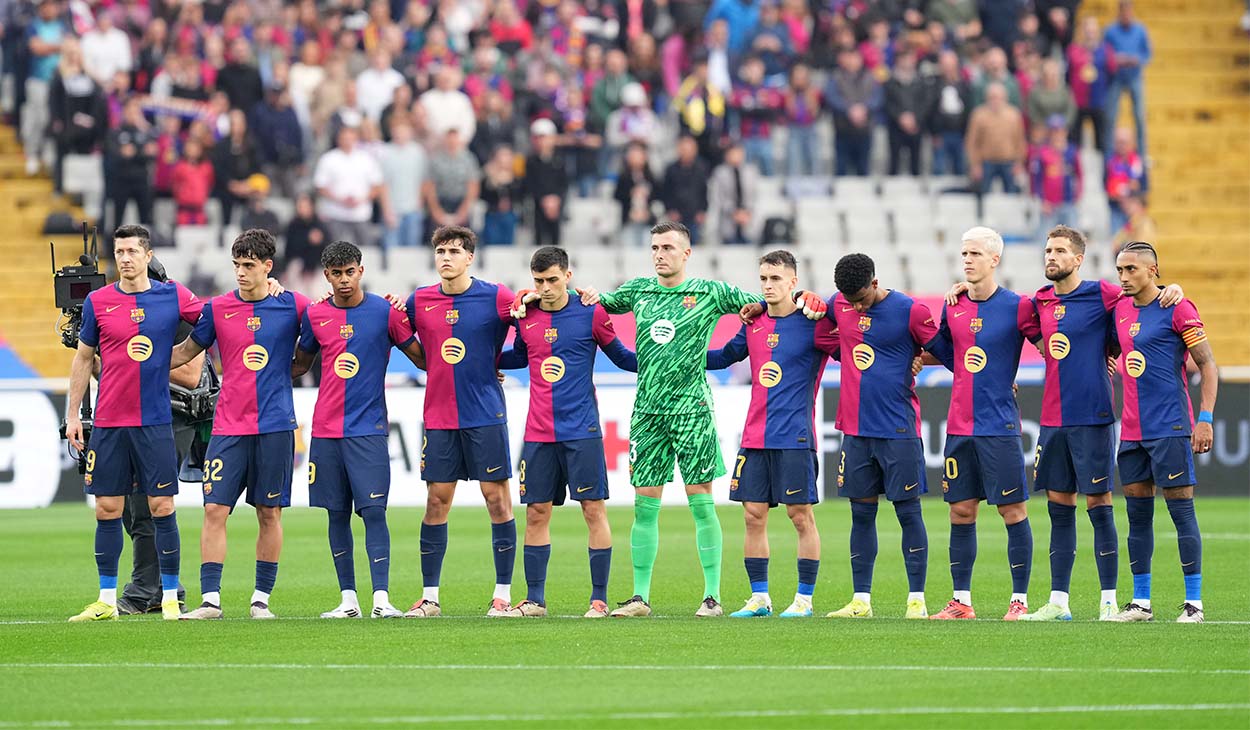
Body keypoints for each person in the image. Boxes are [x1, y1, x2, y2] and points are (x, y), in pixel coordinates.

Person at [548, 221, 825, 617]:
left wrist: (804, 297)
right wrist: (541, 294)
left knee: (700, 502)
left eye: (667, 248)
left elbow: (769, 300)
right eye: (655, 247)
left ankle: (711, 597)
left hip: (693, 410)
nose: (659, 254)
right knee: (645, 504)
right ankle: (640, 597)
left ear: (687, 253)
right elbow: (588, 303)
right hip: (647, 412)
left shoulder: (710, 292)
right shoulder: (637, 291)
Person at [66, 225, 204, 621]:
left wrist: (174, 356)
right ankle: (107, 600)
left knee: (162, 506)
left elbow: (212, 322)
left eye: (131, 251)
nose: (124, 258)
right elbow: (83, 359)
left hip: (155, 422)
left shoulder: (172, 296)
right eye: (119, 251)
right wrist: (72, 414)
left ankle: (172, 599)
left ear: (148, 255)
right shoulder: (98, 301)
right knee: (106, 508)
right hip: (109, 422)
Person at [171, 229, 310, 620]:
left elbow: (315, 347)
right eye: (236, 265)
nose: (241, 273)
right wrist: (137, 364)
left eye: (249, 265)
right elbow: (186, 352)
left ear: (268, 267)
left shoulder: (293, 306)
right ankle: (211, 601)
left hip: (276, 427)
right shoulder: (217, 309)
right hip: (228, 427)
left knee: (269, 512)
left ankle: (261, 599)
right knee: (214, 510)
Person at [496, 247, 637, 618]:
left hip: (583, 430)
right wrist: (482, 363)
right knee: (537, 512)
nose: (545, 288)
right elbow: (518, 358)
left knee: (593, 510)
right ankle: (535, 601)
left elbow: (622, 356)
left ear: (568, 276)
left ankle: (599, 599)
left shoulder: (592, 312)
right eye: (539, 281)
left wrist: (665, 362)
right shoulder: (525, 316)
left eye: (552, 280)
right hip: (538, 432)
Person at [292, 241, 426, 619]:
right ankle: (348, 601)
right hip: (326, 430)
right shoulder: (316, 315)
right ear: (326, 276)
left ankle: (381, 599)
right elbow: (299, 365)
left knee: (373, 512)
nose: (344, 280)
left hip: (367, 429)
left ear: (361, 271)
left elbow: (423, 358)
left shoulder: (385, 312)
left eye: (350, 272)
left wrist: (475, 363)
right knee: (336, 514)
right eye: (336, 274)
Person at [705, 250, 837, 619]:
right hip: (755, 436)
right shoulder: (754, 323)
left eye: (776, 279)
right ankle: (760, 598)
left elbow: (851, 345)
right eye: (763, 278)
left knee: (800, 515)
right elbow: (723, 357)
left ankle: (804, 600)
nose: (767, 285)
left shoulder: (815, 323)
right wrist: (676, 353)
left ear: (793, 282)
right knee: (752, 515)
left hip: (794, 436)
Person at [923, 227, 1040, 621]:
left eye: (975, 253)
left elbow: (1051, 343)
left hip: (1000, 427)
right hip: (959, 427)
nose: (967, 259)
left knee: (1013, 510)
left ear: (995, 260)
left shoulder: (1019, 306)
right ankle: (961, 601)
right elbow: (944, 351)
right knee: (961, 512)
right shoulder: (952, 306)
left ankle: (1019, 601)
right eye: (964, 253)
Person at [403, 226, 517, 618]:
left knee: (496, 498)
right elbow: (403, 340)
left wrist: (496, 363)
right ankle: (430, 597)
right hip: (439, 416)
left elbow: (536, 327)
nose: (446, 257)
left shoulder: (497, 296)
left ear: (470, 257)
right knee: (436, 501)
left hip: (485, 414)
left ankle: (502, 594)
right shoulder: (419, 301)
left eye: (454, 251)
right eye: (440, 251)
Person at [824, 253, 939, 620]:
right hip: (856, 431)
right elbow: (812, 317)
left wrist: (922, 359)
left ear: (875, 283)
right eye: (849, 300)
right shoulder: (839, 303)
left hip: (898, 430)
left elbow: (949, 351)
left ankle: (917, 600)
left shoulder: (911, 311)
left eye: (861, 298)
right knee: (861, 515)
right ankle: (861, 601)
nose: (855, 306)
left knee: (908, 513)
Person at [1107, 242, 1216, 624]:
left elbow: (1208, 365)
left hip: (1170, 426)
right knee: (1137, 517)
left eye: (1131, 269)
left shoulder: (1177, 308)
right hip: (1132, 431)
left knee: (1181, 512)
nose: (1123, 277)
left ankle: (1194, 604)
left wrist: (1204, 418)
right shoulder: (1118, 308)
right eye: (1119, 270)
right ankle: (1140, 603)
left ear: (1153, 271)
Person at [314, 124, 384, 249]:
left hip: (361, 214)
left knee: (366, 251)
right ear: (338, 139)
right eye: (344, 138)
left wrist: (361, 199)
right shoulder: (328, 159)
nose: (347, 141)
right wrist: (340, 200)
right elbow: (320, 187)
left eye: (350, 138)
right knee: (338, 252)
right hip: (336, 214)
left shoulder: (366, 159)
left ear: (356, 139)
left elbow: (377, 186)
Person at [1103, 0, 1151, 156]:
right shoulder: (1110, 31)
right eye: (1123, 12)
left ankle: (1142, 154)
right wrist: (1115, 59)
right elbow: (1104, 53)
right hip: (1116, 78)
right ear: (1119, 13)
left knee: (1139, 116)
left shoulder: (1140, 30)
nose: (1126, 15)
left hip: (1134, 76)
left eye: (1128, 12)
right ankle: (1110, 155)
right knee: (1111, 117)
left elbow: (1147, 54)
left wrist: (1136, 59)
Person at [823, 47, 880, 177]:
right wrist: (849, 109)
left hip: (864, 129)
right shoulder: (835, 77)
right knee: (841, 168)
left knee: (863, 168)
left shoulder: (870, 76)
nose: (852, 61)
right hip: (843, 128)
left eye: (855, 58)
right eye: (849, 58)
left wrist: (864, 109)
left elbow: (877, 97)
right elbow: (831, 97)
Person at [107, 96, 158, 229]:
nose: (133, 114)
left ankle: (146, 248)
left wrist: (135, 151)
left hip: (141, 181)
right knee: (118, 219)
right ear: (124, 111)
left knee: (146, 218)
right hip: (121, 181)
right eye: (130, 110)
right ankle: (114, 248)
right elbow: (118, 155)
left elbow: (152, 153)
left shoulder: (146, 132)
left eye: (136, 110)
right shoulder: (116, 132)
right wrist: (141, 152)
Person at [966, 83, 1026, 195]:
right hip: (986, 162)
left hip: (1009, 161)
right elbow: (972, 142)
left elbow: (1020, 140)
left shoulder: (1014, 115)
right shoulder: (978, 115)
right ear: (986, 98)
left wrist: (1019, 162)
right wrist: (975, 165)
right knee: (983, 194)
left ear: (1005, 98)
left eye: (998, 97)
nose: (995, 100)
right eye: (992, 97)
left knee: (1011, 194)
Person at [524, 119, 567, 248]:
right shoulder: (530, 161)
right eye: (538, 138)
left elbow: (564, 183)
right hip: (537, 205)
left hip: (556, 205)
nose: (542, 142)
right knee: (538, 238)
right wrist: (544, 200)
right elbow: (530, 184)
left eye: (545, 137)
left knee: (556, 240)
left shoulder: (560, 160)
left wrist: (556, 200)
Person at [659, 134, 709, 245]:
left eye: (689, 149)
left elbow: (704, 191)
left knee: (694, 247)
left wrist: (703, 210)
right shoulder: (671, 170)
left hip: (694, 215)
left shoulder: (701, 168)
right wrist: (670, 210)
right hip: (676, 216)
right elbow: (665, 192)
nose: (686, 152)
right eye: (683, 148)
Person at [709, 142, 757, 245]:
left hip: (747, 221)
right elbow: (718, 197)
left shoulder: (751, 171)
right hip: (728, 221)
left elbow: (755, 195)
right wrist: (734, 212)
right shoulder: (720, 173)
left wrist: (746, 212)